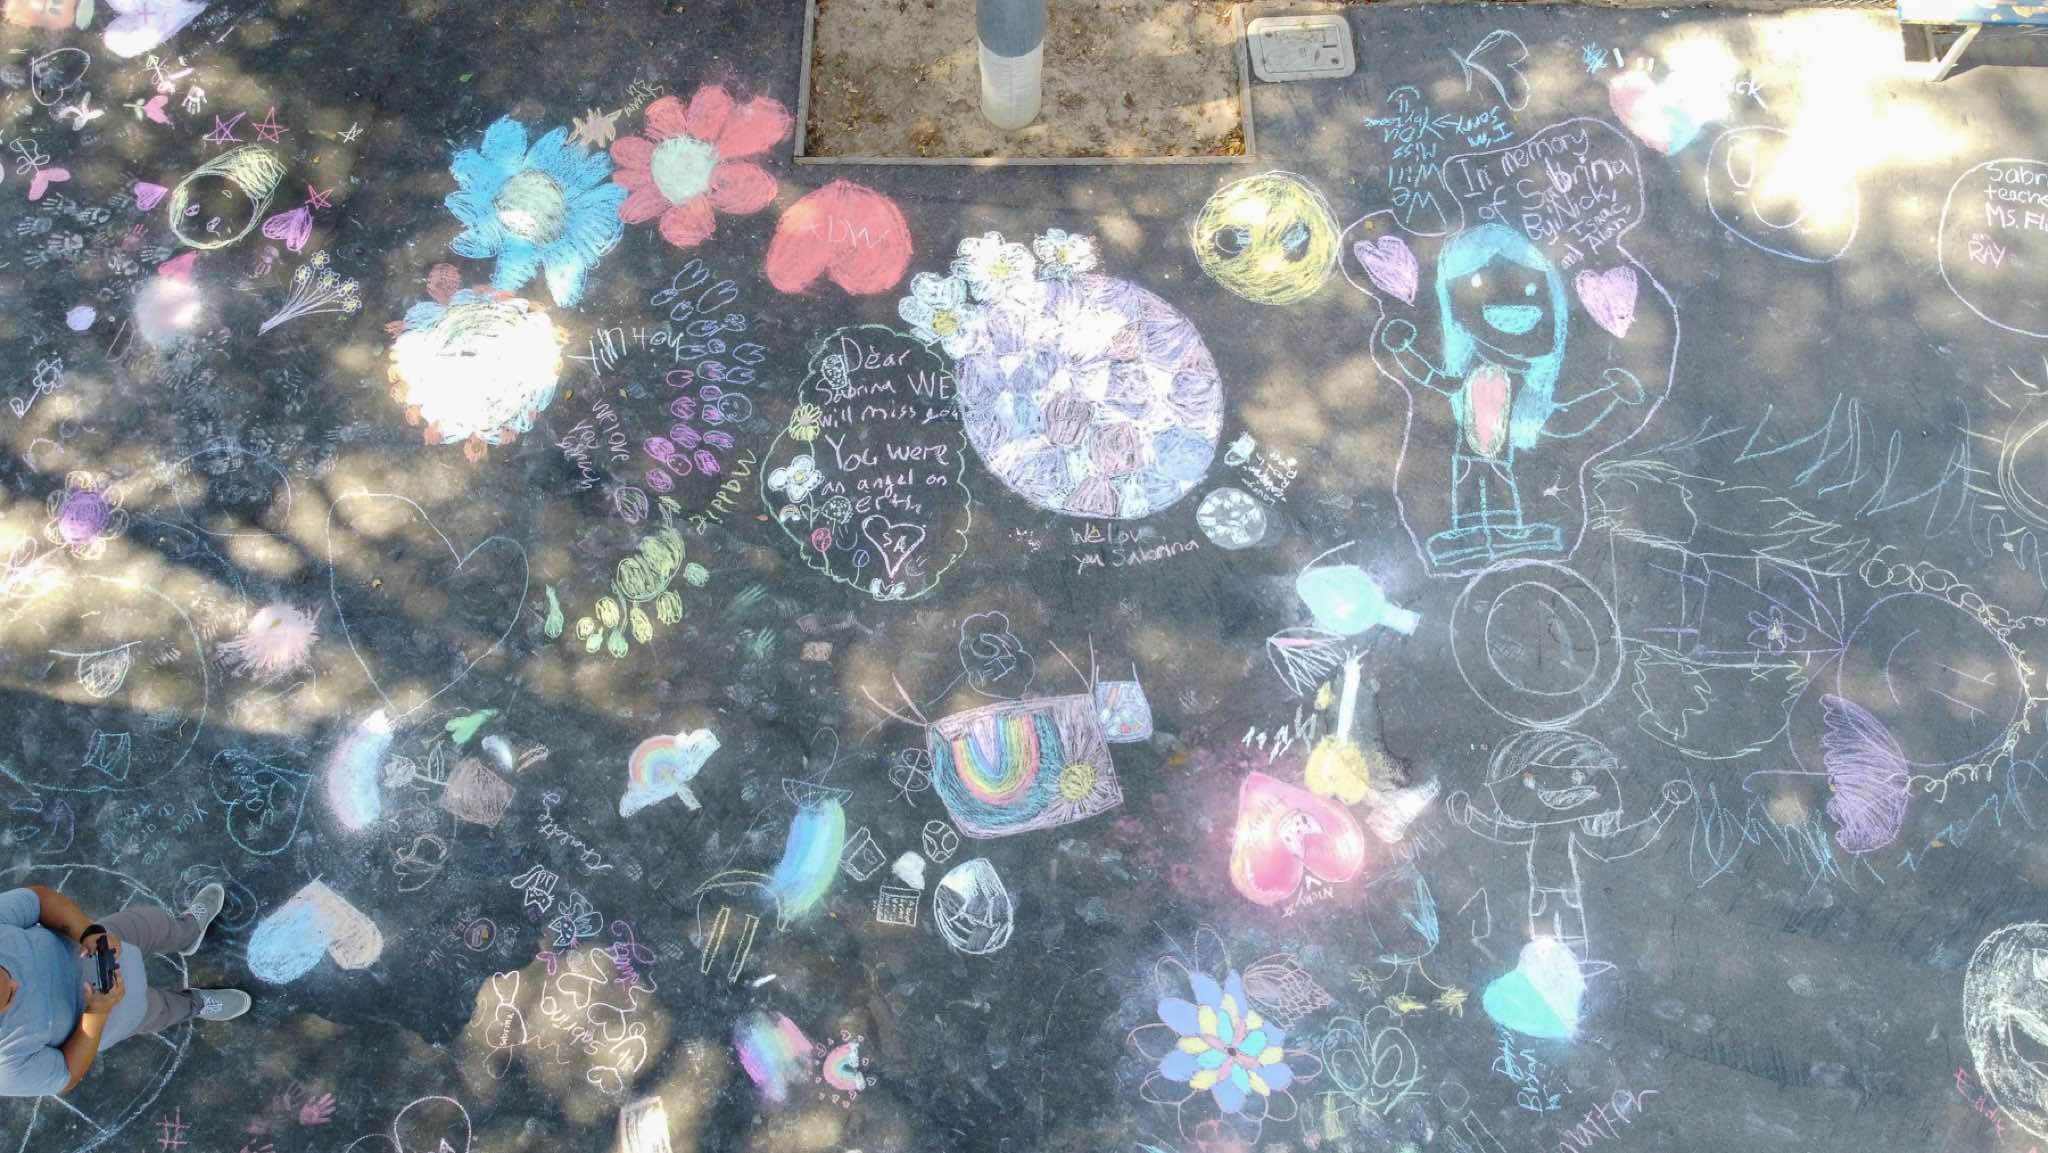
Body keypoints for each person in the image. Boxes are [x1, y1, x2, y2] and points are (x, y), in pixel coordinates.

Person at [0, 881, 248, 1097]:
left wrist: (87, 931)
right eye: (9, 995)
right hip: (114, 1016)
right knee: (162, 1009)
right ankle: (195, 1003)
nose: (17, 983)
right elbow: (67, 1074)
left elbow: (38, 901)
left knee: (154, 924)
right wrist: (98, 1012)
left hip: (102, 944)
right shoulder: (5, 1067)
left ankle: (188, 932)